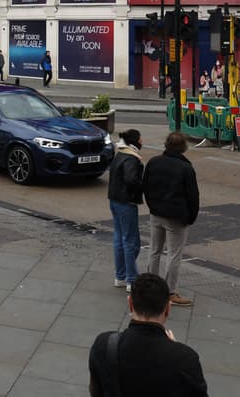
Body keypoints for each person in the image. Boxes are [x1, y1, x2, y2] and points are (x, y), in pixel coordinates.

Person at [88, 272, 208, 396]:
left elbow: (96, 392)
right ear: (168, 308)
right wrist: (176, 351)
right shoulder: (186, 359)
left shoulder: (103, 345)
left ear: (130, 304)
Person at [143, 132, 200, 306]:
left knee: (154, 250)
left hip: (156, 213)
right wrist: (190, 217)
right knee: (174, 255)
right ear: (183, 147)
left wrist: (152, 206)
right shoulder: (185, 168)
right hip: (176, 217)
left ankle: (150, 286)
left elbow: (145, 185)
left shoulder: (154, 162)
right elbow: (193, 196)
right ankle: (170, 292)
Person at [108, 129, 145, 292]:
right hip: (126, 202)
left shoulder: (120, 154)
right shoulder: (131, 158)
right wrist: (141, 187)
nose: (142, 142)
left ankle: (120, 276)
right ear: (134, 141)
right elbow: (131, 179)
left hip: (115, 200)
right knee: (131, 242)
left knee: (119, 238)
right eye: (141, 139)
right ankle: (131, 279)